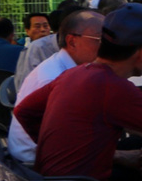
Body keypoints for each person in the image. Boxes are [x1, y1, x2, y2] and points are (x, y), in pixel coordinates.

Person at [13, 3, 142, 181]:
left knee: (139, 146)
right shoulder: (113, 86)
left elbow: (23, 111)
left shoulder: (74, 73)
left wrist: (58, 150)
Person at [7, 10, 104, 165]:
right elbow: (64, 139)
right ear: (72, 41)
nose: (106, 47)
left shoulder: (64, 66)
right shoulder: (54, 77)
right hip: (38, 162)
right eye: (100, 39)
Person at [16, 0, 81, 87]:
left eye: (45, 26)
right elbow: (23, 84)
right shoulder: (35, 48)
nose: (42, 30)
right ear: (27, 31)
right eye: (37, 26)